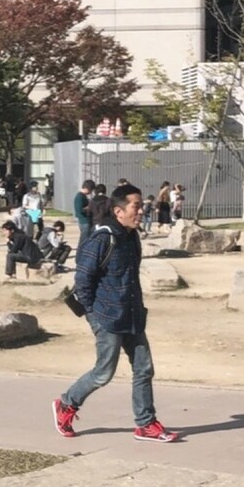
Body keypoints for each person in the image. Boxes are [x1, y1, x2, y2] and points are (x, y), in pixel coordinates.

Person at [52, 183, 179, 445]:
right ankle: (66, 403)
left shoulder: (131, 236)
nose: (141, 211)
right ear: (119, 211)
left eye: (142, 206)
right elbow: (83, 278)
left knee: (144, 368)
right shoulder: (103, 238)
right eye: (136, 206)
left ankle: (145, 424)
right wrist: (93, 313)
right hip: (106, 316)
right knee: (103, 373)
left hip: (132, 314)